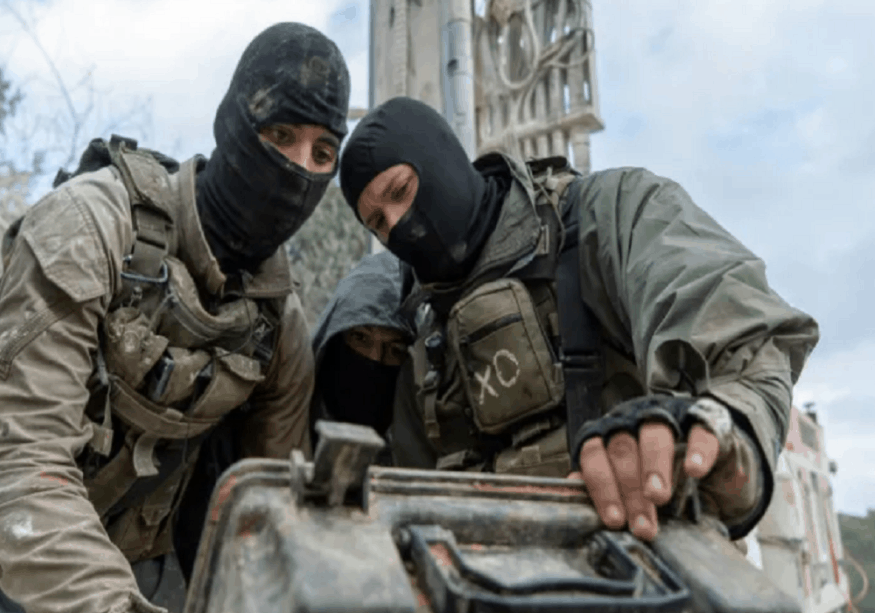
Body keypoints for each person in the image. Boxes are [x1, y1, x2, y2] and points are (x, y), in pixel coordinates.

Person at [0, 22, 350, 613]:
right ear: (233, 123)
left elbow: (264, 515)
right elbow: (15, 459)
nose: (299, 168)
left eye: (324, 153)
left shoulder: (276, 326)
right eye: (280, 136)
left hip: (137, 589)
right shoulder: (93, 222)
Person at [338, 96, 819, 545]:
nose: (400, 223)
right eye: (378, 223)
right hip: (489, 591)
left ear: (441, 158)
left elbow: (743, 347)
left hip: (650, 551)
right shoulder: (423, 340)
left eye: (401, 191)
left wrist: (719, 427)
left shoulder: (610, 215)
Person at [310, 250, 411, 445]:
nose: (374, 358)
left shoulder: (418, 454)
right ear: (335, 337)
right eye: (360, 337)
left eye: (395, 350)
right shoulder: (287, 421)